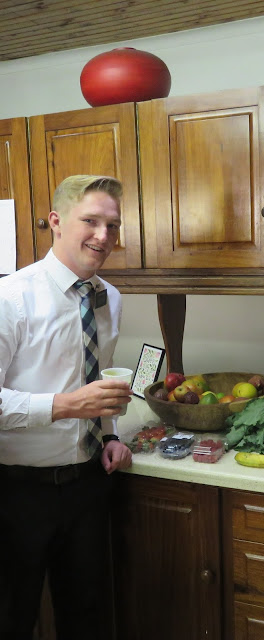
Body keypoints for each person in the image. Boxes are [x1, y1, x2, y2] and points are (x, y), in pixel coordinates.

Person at [0, 175, 133, 639]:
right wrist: (63, 405)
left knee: (85, 619)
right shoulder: (11, 298)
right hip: (16, 492)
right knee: (11, 621)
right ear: (56, 222)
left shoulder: (110, 299)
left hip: (87, 486)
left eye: (112, 225)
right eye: (90, 221)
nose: (103, 235)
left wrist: (110, 434)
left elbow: (98, 381)